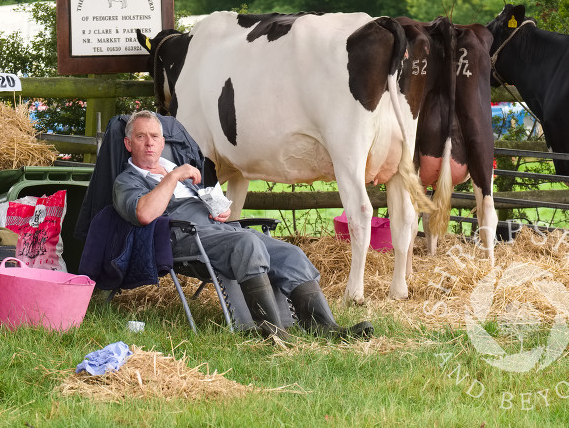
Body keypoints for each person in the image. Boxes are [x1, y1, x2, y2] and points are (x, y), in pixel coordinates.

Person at [112, 110, 374, 341]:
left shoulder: (171, 166)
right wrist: (174, 176)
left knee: (290, 254)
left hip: (217, 230)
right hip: (180, 236)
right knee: (247, 243)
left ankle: (324, 326)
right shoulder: (127, 181)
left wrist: (217, 207)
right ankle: (270, 330)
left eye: (155, 137)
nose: (149, 143)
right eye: (141, 137)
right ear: (127, 143)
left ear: (162, 142)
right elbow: (145, 214)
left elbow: (210, 198)